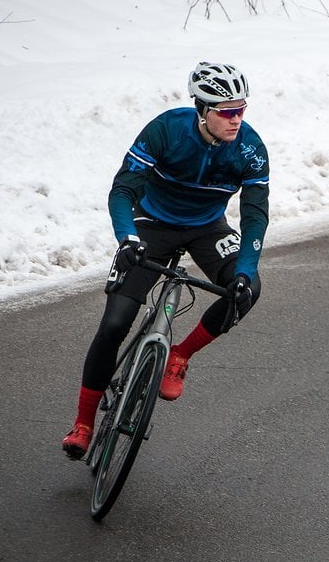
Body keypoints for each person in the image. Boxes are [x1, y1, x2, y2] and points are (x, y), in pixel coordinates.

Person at [62, 61, 270, 459]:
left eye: (241, 109)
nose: (236, 120)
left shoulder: (250, 148)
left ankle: (180, 355)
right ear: (202, 110)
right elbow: (122, 189)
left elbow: (255, 216)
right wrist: (127, 239)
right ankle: (84, 423)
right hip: (151, 223)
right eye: (227, 112)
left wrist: (244, 272)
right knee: (115, 323)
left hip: (208, 228)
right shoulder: (166, 130)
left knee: (249, 290)